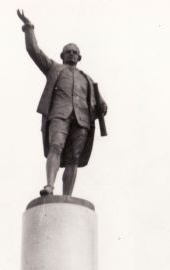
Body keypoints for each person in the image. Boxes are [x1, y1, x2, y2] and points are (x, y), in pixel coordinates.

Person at [17, 10, 107, 197]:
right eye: (68, 52)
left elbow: (101, 105)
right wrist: (29, 28)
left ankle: (67, 196)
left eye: (75, 52)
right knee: (55, 146)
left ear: (79, 57)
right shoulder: (54, 69)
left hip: (82, 121)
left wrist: (103, 108)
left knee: (73, 159)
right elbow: (34, 51)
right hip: (59, 114)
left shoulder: (88, 79)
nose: (72, 54)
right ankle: (49, 185)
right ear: (62, 55)